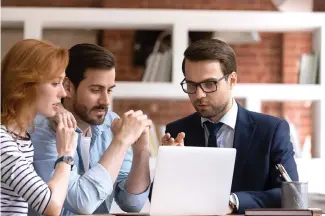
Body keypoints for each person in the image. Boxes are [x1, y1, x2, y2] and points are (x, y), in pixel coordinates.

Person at [160, 39, 299, 214]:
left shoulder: (271, 130)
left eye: (209, 84)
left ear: (232, 80)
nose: (199, 94)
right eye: (191, 85)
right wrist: (169, 166)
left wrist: (234, 201)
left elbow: (290, 195)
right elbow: (157, 198)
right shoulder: (177, 131)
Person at [30, 43, 152, 215]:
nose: (105, 101)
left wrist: (141, 150)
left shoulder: (111, 122)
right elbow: (82, 202)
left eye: (109, 90)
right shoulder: (43, 129)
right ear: (68, 87)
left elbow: (131, 203)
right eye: (96, 90)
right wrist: (122, 141)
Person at [1, 39, 77, 215]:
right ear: (26, 85)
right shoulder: (3, 141)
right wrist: (66, 154)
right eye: (54, 83)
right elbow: (52, 207)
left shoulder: (21, 137)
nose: (63, 93)